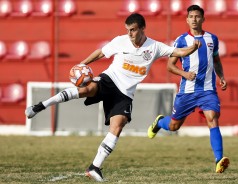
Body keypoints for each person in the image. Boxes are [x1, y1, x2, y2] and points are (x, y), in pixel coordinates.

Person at [25, 13, 201, 182]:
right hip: (110, 80)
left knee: (118, 125)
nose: (130, 34)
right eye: (127, 30)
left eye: (133, 30)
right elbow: (100, 53)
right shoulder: (120, 41)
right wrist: (82, 64)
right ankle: (40, 106)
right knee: (88, 89)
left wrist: (193, 48)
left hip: (125, 93)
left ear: (142, 28)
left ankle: (94, 167)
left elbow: (178, 52)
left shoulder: (154, 47)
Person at [147, 5, 230, 173]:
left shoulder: (212, 39)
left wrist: (221, 76)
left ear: (203, 19)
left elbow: (216, 61)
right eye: (191, 16)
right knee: (173, 126)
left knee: (212, 117)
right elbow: (170, 66)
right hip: (187, 91)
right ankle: (160, 122)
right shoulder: (181, 40)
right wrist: (184, 74)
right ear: (187, 19)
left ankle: (218, 160)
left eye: (197, 16)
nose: (194, 19)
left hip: (207, 90)